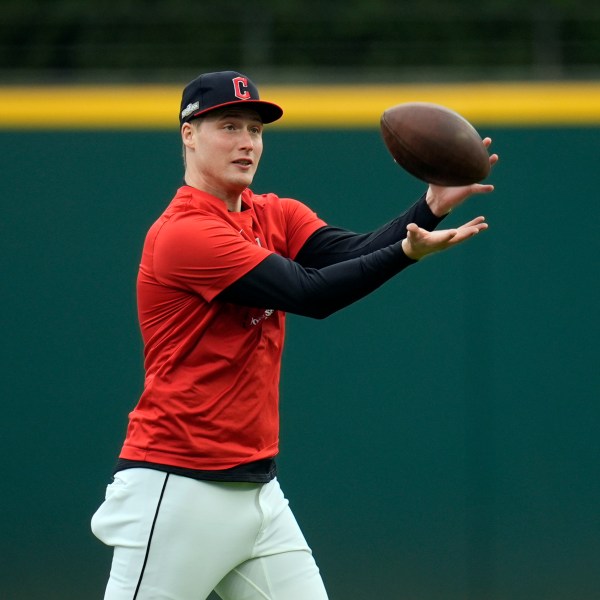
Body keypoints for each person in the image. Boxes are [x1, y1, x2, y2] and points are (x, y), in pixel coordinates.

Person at [91, 70, 498, 600]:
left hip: (257, 493)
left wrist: (430, 207)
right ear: (188, 134)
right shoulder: (186, 232)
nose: (246, 141)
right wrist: (407, 253)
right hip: (178, 488)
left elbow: (349, 254)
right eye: (228, 126)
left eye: (254, 130)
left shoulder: (273, 212)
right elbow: (312, 293)